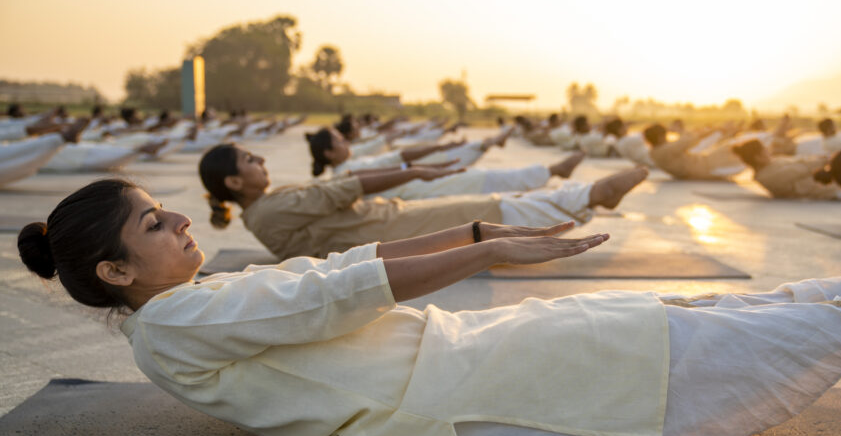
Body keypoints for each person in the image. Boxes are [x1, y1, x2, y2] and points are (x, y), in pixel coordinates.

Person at [17, 178, 841, 436]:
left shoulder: (187, 306)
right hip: (425, 399)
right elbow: (333, 290)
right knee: (621, 343)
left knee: (622, 316)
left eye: (164, 211)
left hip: (437, 357)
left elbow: (318, 280)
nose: (180, 221)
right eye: (155, 225)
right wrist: (484, 253)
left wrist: (482, 237)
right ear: (114, 274)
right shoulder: (175, 326)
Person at [198, 143, 647, 259]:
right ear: (236, 182)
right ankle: (588, 196)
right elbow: (344, 188)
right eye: (249, 160)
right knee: (490, 209)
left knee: (494, 200)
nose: (260, 160)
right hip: (395, 233)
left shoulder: (267, 208)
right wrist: (417, 171)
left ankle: (580, 197)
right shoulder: (270, 211)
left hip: (393, 224)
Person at [305, 126, 584, 198]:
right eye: (339, 141)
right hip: (421, 190)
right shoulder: (346, 173)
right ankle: (553, 171)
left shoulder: (345, 169)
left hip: (420, 184)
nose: (345, 143)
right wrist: (428, 168)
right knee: (485, 180)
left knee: (484, 178)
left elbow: (398, 161)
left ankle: (549, 172)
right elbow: (400, 159)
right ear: (328, 153)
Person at [731, 139, 841, 200]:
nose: (768, 151)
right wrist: (825, 161)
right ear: (758, 157)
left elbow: (800, 160)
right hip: (828, 189)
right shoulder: (766, 177)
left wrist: (821, 159)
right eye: (764, 150)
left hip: (828, 182)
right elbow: (798, 169)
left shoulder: (772, 163)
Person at [644, 124, 746, 180]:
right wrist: (712, 130)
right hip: (707, 168)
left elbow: (684, 142)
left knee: (727, 147)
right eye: (664, 135)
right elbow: (689, 140)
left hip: (702, 167)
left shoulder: (655, 152)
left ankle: (726, 133)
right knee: (732, 148)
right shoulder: (666, 150)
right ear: (659, 137)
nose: (666, 138)